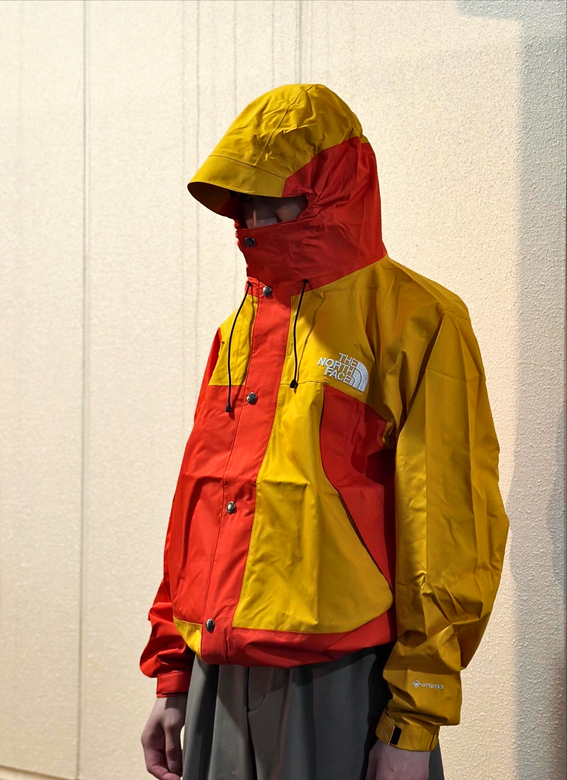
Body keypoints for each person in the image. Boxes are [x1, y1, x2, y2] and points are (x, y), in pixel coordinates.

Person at [139, 83, 510, 780]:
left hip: (340, 677)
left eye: (273, 198)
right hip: (218, 669)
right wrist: (173, 671)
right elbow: (201, 499)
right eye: (243, 200)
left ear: (331, 188)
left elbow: (449, 524)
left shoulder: (417, 319)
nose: (254, 219)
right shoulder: (241, 326)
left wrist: (416, 717)